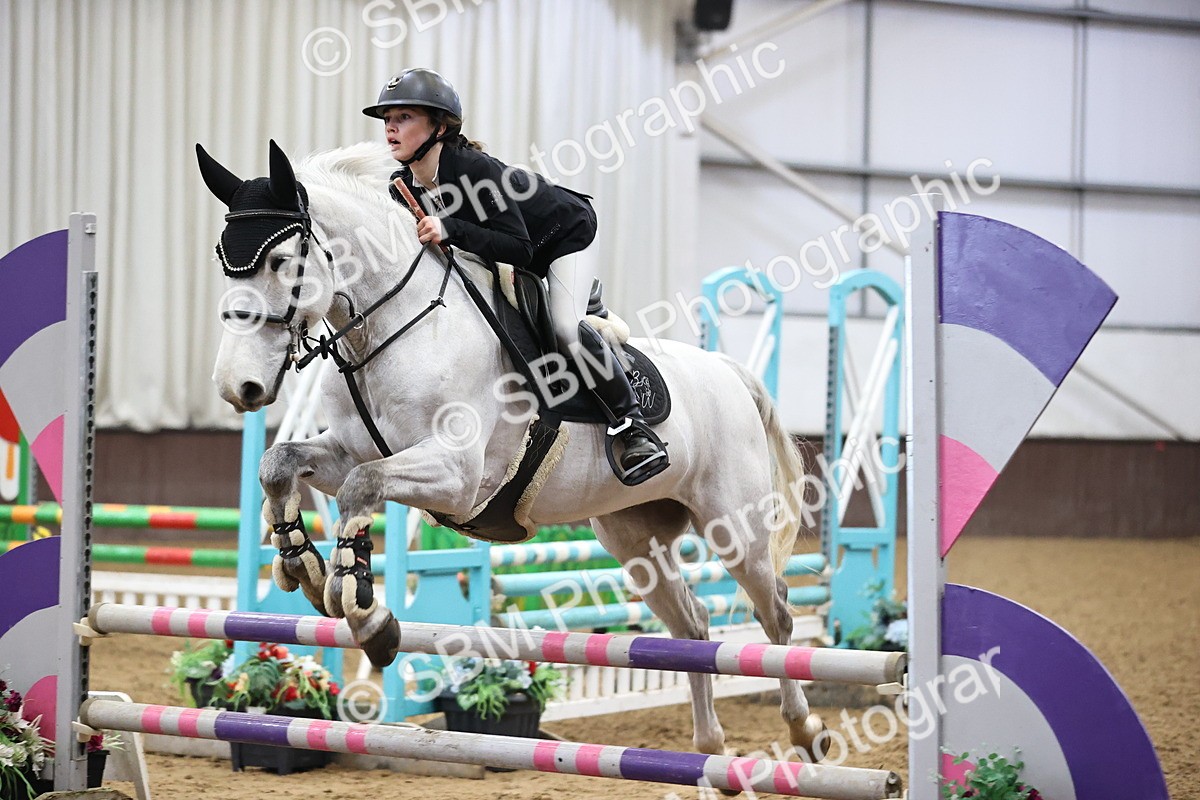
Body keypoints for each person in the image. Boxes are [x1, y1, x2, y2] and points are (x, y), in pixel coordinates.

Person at [363, 67, 667, 484]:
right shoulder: (404, 186)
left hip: (563, 238)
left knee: (565, 327)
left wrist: (451, 229)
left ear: (438, 126)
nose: (391, 129)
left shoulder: (474, 170)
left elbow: (520, 249)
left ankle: (632, 426)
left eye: (404, 118)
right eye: (387, 120)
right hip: (514, 251)